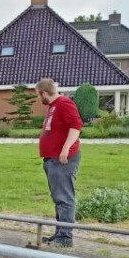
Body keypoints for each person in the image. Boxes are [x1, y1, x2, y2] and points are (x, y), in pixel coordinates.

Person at [36, 78, 83, 247]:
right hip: (52, 159)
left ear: (43, 93)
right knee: (58, 197)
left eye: (38, 95)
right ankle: (60, 232)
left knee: (64, 197)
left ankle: (66, 236)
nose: (39, 99)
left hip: (62, 159)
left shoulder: (64, 103)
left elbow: (76, 126)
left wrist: (65, 148)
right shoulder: (53, 106)